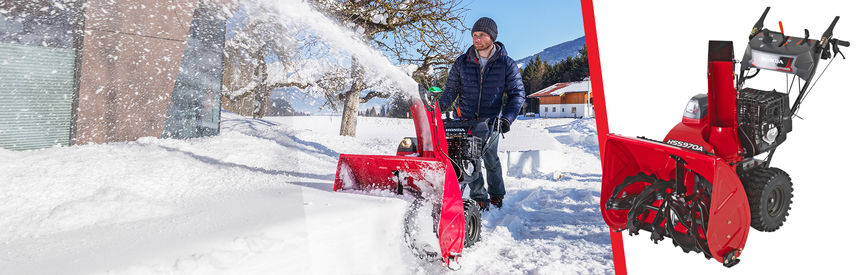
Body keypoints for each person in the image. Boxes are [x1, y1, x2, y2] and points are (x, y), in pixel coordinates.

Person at [439, 17, 525, 210]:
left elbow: (517, 95)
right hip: (464, 121)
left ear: (492, 37)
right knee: (469, 159)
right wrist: (437, 108)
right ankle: (479, 197)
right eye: (474, 35)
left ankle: (496, 194)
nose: (477, 39)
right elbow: (450, 91)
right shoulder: (462, 62)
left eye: (482, 35)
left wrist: (507, 119)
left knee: (490, 160)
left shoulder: (506, 64)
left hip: (491, 122)